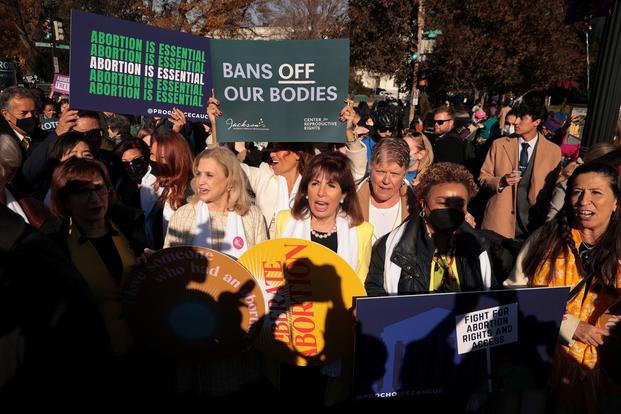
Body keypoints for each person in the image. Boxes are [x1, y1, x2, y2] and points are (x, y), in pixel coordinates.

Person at [507, 163, 621, 413]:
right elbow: (514, 294)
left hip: (604, 374)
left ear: (615, 202)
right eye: (577, 192)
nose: (583, 201)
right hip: (540, 363)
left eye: (596, 193)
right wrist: (569, 327)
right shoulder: (545, 238)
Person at [366, 162, 494, 296]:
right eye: (443, 202)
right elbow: (375, 290)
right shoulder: (391, 247)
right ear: (422, 204)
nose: (450, 210)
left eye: (458, 204)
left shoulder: (479, 246)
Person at [276, 151, 373, 283]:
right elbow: (274, 276)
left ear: (343, 194)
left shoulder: (363, 231)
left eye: (331, 185)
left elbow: (360, 286)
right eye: (315, 183)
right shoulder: (284, 221)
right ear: (306, 190)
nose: (321, 193)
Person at [479, 93, 561, 240]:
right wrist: (501, 182)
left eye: (522, 118)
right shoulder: (499, 144)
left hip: (534, 227)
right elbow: (483, 177)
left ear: (537, 122)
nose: (516, 121)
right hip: (499, 224)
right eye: (517, 116)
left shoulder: (553, 151)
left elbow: (555, 190)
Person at [164, 146, 268, 257]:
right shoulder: (183, 215)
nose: (200, 181)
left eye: (209, 175)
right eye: (198, 174)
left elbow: (262, 263)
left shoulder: (251, 215)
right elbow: (170, 265)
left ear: (230, 181)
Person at [356, 137, 415, 243]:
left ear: (404, 175)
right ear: (370, 169)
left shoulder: (416, 209)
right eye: (380, 172)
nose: (386, 181)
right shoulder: (350, 204)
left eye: (394, 174)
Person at [148, 130, 194, 248]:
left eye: (161, 157)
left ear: (176, 159)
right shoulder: (166, 186)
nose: (153, 160)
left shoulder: (193, 193)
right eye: (152, 154)